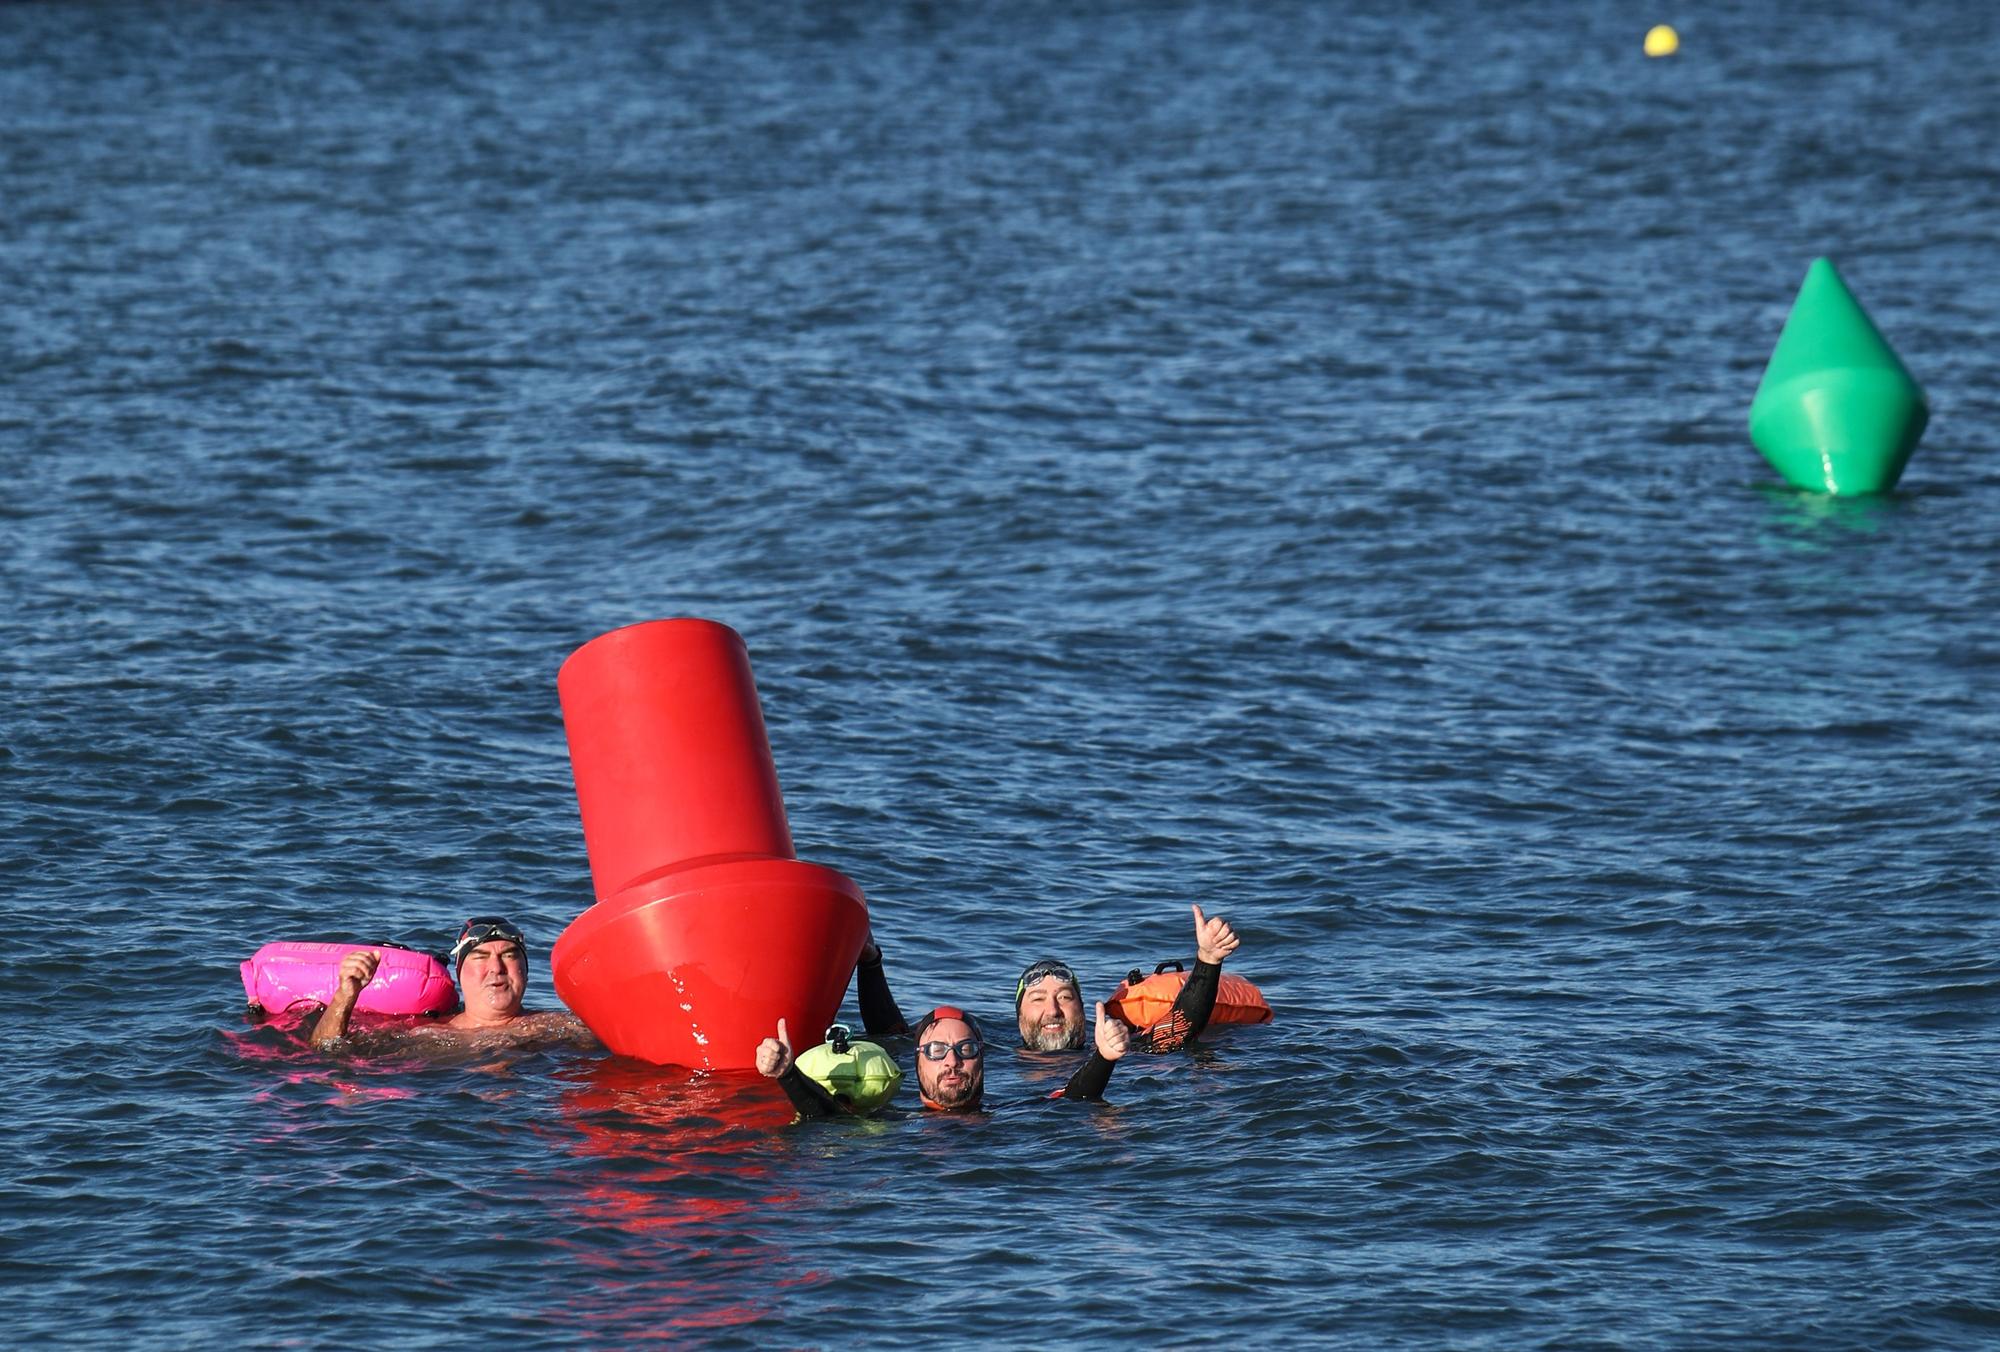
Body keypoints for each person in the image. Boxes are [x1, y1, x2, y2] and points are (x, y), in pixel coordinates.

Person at [755, 999, 1128, 1116]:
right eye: (936, 1051)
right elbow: (828, 1120)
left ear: (982, 1059)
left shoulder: (1013, 1112)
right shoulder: (895, 1123)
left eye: (965, 1050)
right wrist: (788, 1074)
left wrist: (1105, 1058)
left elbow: (1074, 1098)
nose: (951, 1062)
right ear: (916, 1062)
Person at [309, 916, 599, 1051]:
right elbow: (328, 1050)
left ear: (525, 970)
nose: (496, 968)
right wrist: (345, 996)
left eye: (509, 956)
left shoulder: (563, 1026)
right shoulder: (426, 1035)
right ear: (460, 974)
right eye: (481, 957)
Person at [1015, 903, 1241, 1054]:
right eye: (1037, 999)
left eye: (1064, 997)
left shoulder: (1119, 1049)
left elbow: (1178, 1028)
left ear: (1083, 1012)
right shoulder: (986, 1060)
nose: (1053, 1010)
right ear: (1019, 1017)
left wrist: (1208, 960)